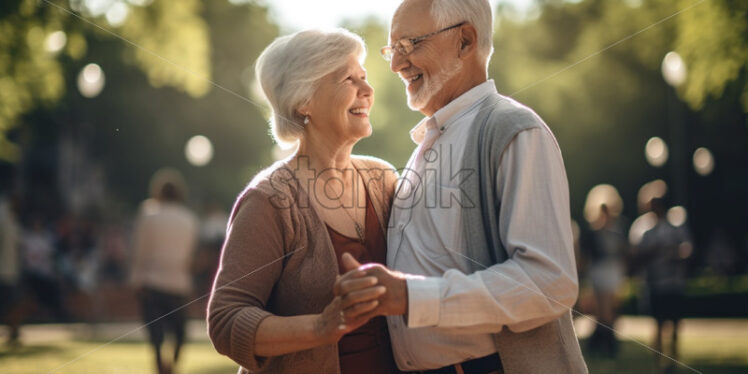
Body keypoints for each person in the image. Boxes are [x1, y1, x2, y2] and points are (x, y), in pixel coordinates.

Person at [335, 0, 587, 373]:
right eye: (393, 49)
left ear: (465, 41)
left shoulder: (513, 129)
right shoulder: (429, 142)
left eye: (409, 45)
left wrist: (409, 296)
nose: (394, 64)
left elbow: (549, 283)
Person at [207, 29, 399, 374]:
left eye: (364, 77)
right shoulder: (269, 199)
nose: (367, 91)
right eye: (348, 79)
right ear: (303, 101)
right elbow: (226, 319)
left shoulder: (383, 179)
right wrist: (323, 327)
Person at [130, 169, 199, 374]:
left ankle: (160, 365)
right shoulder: (189, 218)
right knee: (179, 332)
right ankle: (173, 365)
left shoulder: (148, 213)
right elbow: (190, 255)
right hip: (178, 283)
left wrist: (136, 278)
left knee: (156, 332)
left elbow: (140, 249)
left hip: (152, 281)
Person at [637, 197, 691, 374]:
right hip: (656, 284)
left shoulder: (676, 230)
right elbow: (639, 257)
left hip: (674, 283)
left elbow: (687, 251)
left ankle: (673, 362)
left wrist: (675, 253)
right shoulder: (647, 233)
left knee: (675, 326)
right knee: (659, 325)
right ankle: (659, 363)